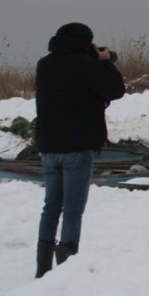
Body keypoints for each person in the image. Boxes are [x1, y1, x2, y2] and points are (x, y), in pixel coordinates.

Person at [33, 22, 125, 278]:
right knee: (73, 209)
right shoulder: (87, 65)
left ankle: (42, 269)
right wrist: (106, 60)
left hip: (49, 148)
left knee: (51, 207)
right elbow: (116, 90)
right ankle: (66, 271)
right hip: (77, 147)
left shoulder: (45, 64)